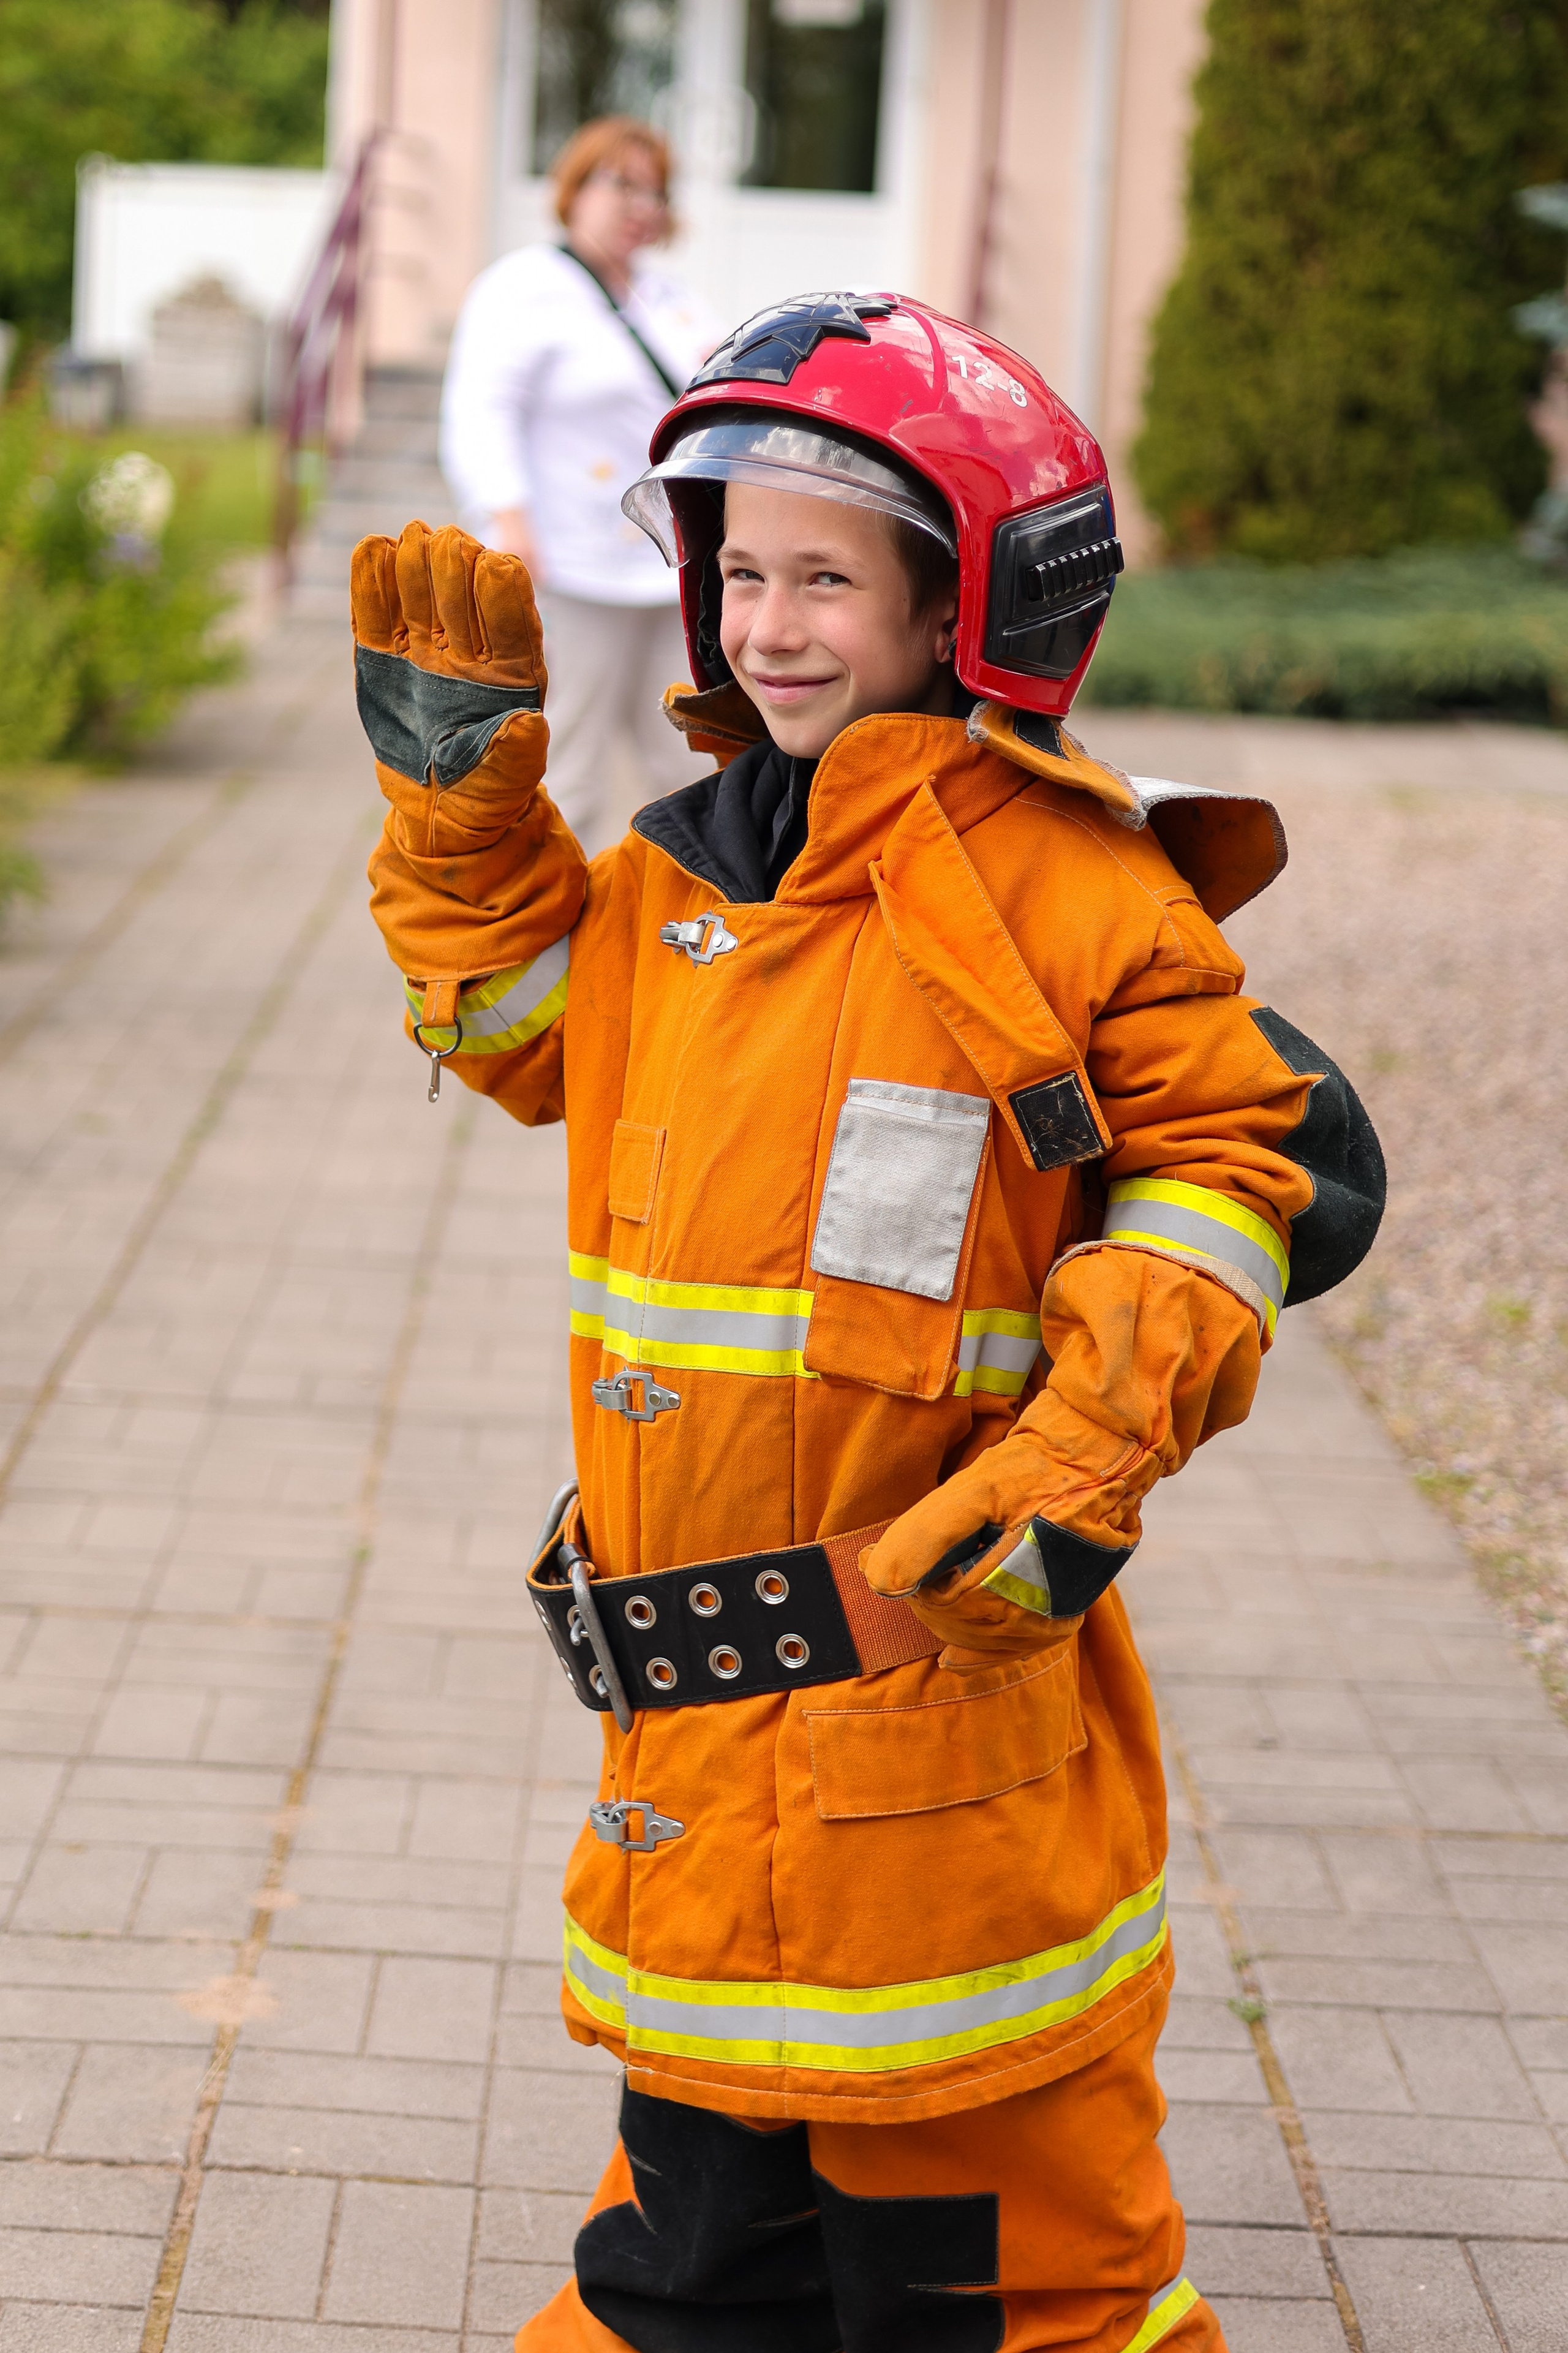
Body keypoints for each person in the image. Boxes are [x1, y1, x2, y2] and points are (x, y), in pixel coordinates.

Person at [353, 292, 1385, 2353]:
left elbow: (1251, 1170)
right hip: (699, 1744)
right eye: (737, 571)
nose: (768, 624)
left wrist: (1086, 1455)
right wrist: (466, 821)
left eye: (828, 577)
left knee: (1007, 2294)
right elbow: (527, 1035)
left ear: (977, 606)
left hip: (940, 1716)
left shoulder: (1076, 892)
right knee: (693, 2263)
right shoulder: (675, 880)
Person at [438, 115, 719, 855]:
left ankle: (697, 922)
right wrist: (507, 523)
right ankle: (552, 936)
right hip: (569, 564)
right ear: (574, 186)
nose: (640, 205)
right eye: (621, 183)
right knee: (569, 763)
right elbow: (480, 410)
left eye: (655, 191)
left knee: (690, 757)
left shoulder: (671, 300)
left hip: (670, 570)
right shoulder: (524, 287)